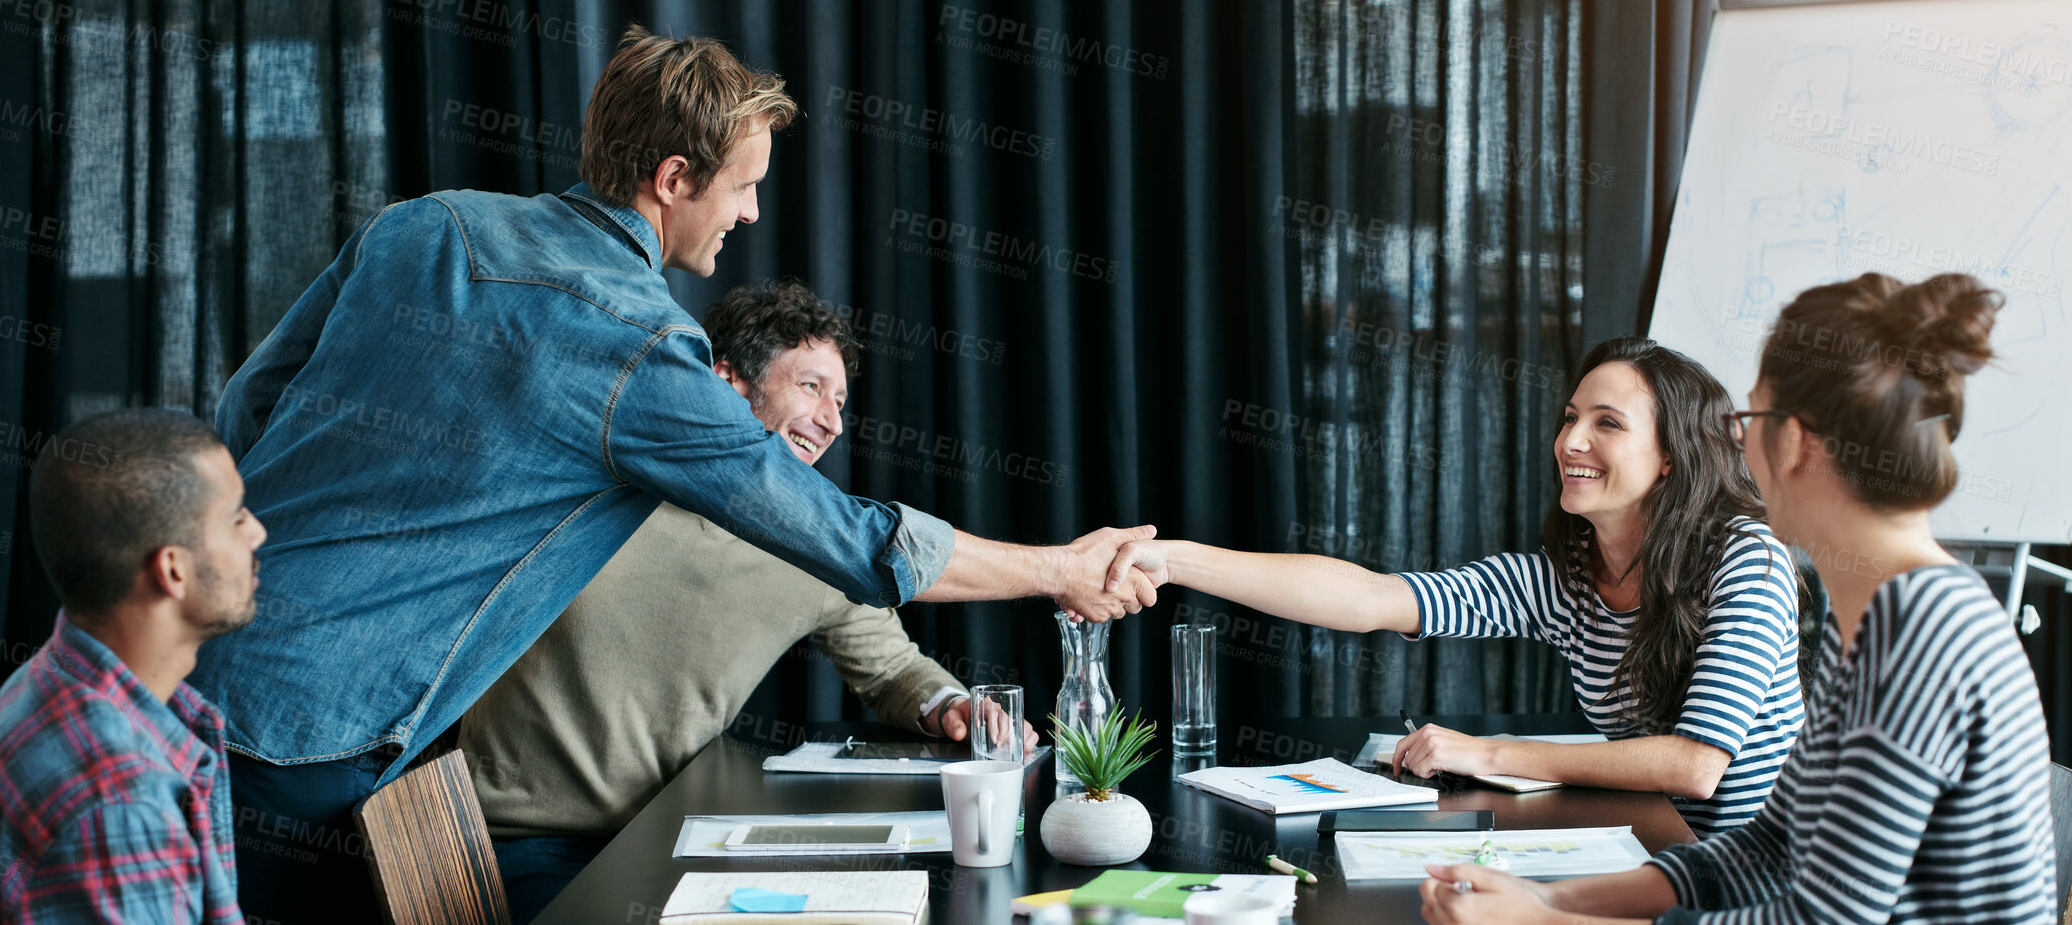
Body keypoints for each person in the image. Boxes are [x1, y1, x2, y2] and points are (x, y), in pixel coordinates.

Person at [188, 28, 1151, 924]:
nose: (751, 211)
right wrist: (1059, 570)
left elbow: (249, 407)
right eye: (741, 186)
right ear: (673, 178)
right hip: (308, 742)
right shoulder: (639, 350)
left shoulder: (425, 225)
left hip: (191, 668)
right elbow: (852, 543)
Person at [1416, 273, 2055, 924]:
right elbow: (1772, 850)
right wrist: (1549, 899)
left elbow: (1821, 920)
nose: (1734, 445)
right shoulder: (1867, 618)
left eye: (1746, 420)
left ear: (1796, 440)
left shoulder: (1921, 632)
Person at [459, 277, 1039, 920]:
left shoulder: (818, 542)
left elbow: (894, 669)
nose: (831, 420)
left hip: (677, 835)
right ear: (728, 382)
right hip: (525, 844)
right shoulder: (599, 482)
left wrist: (951, 705)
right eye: (811, 387)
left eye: (840, 401)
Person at [1109, 338, 1803, 837]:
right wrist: (1171, 560)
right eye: (1570, 417)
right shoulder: (1562, 580)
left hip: (1760, 878)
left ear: (1670, 460)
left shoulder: (1746, 561)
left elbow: (1695, 765)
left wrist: (1484, 751)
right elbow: (1371, 599)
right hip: (1652, 851)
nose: (1570, 441)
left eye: (1607, 424)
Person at [0, 410, 267, 923]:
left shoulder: (44, 679)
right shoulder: (120, 807)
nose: (257, 533)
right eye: (236, 516)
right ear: (172, 569)